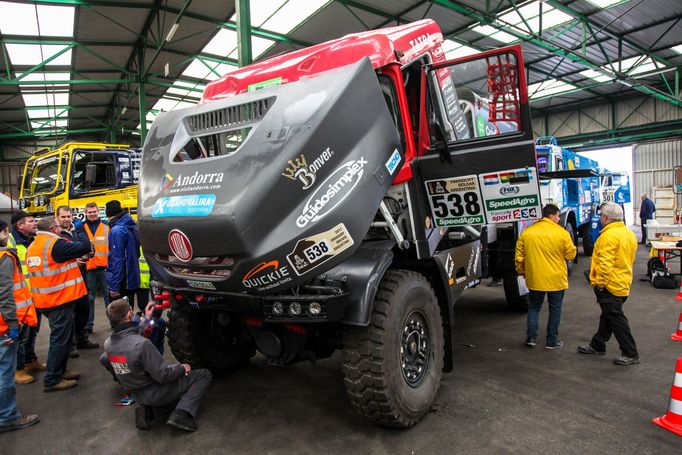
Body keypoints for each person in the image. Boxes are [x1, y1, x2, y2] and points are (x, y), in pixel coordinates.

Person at [101, 299, 212, 432]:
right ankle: (182, 414)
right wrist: (183, 368)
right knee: (203, 374)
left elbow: (129, 338)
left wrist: (147, 320)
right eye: (131, 310)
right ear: (130, 315)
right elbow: (164, 375)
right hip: (156, 392)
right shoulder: (143, 345)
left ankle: (146, 409)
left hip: (137, 393)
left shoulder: (109, 344)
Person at [26, 217, 91, 392]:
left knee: (63, 338)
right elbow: (85, 247)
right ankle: (52, 379)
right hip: (58, 300)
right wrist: (79, 229)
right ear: (54, 228)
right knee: (60, 341)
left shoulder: (34, 246)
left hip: (47, 300)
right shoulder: (54, 244)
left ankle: (61, 371)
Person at [577, 202, 639, 366]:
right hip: (622, 282)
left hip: (610, 285)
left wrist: (600, 284)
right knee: (608, 316)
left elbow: (605, 264)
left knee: (615, 319)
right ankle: (597, 345)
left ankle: (630, 353)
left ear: (605, 217)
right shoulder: (628, 233)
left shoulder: (608, 236)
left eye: (601, 215)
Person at [515, 204, 577, 349]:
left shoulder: (527, 232)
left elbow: (519, 256)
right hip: (556, 279)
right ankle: (551, 341)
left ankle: (531, 338)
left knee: (534, 307)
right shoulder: (562, 233)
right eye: (557, 215)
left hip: (535, 277)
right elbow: (571, 254)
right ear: (551, 216)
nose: (559, 218)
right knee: (555, 309)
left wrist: (521, 271)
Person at [0, 219, 40, 433]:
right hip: (4, 325)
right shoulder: (4, 257)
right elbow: (5, 294)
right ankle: (6, 417)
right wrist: (12, 323)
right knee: (5, 373)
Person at [8, 211, 45, 384]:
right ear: (20, 225)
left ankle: (30, 361)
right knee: (21, 335)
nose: (34, 223)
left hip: (34, 295)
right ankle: (18, 369)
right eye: (31, 221)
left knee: (32, 332)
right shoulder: (10, 243)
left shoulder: (33, 239)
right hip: (19, 298)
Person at [55, 206, 98, 351]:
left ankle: (82, 339)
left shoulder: (78, 230)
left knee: (83, 309)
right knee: (69, 314)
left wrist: (87, 255)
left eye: (68, 216)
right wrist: (75, 260)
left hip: (81, 277)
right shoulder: (56, 235)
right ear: (57, 218)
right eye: (63, 217)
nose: (66, 219)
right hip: (65, 280)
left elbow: (88, 248)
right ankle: (71, 345)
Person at [105, 200, 143, 311]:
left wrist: (114, 286)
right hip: (132, 279)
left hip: (123, 282)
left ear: (109, 215)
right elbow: (136, 253)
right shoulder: (132, 226)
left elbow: (118, 259)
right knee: (129, 311)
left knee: (120, 315)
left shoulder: (117, 230)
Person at [79, 202, 110, 329]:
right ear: (85, 213)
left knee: (108, 297)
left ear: (98, 212)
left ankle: (114, 322)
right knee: (89, 298)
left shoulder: (107, 226)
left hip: (105, 268)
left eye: (94, 211)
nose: (92, 214)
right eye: (89, 212)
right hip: (89, 269)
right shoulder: (80, 227)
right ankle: (89, 325)